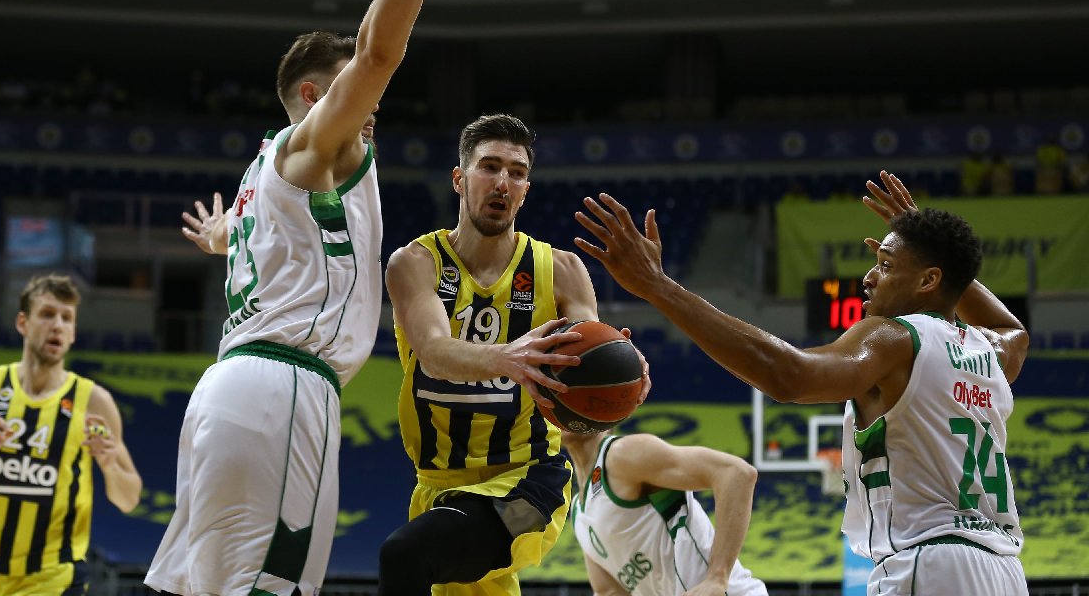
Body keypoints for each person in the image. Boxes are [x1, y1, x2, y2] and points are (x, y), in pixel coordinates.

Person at [144, 0, 459, 596]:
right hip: (281, 391)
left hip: (232, 387)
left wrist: (222, 239)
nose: (371, 105)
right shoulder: (315, 146)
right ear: (318, 97)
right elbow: (379, 55)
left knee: (196, 586)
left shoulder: (262, 172)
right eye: (352, 92)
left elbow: (255, 240)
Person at [574, 170, 1029, 595]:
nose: (870, 277)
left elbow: (788, 376)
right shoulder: (990, 351)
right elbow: (1015, 331)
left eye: (887, 265)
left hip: (931, 563)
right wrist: (940, 258)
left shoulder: (893, 337)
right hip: (1005, 569)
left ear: (929, 280)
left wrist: (657, 287)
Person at [379, 113, 648, 596]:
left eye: (517, 173)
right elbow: (435, 353)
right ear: (459, 179)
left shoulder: (561, 270)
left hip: (531, 487)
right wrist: (509, 357)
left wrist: (624, 372)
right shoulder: (415, 263)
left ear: (526, 189)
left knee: (405, 554)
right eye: (489, 167)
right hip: (440, 486)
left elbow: (589, 368)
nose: (503, 182)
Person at [0, 273, 141, 595]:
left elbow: (129, 499)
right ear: (22, 323)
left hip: (54, 577)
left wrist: (109, 467)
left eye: (67, 318)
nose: (58, 326)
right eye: (47, 314)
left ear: (73, 333)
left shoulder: (94, 401)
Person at [561, 427, 768, 596]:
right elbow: (609, 592)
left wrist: (716, 578)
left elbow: (736, 473)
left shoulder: (622, 453)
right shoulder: (579, 512)